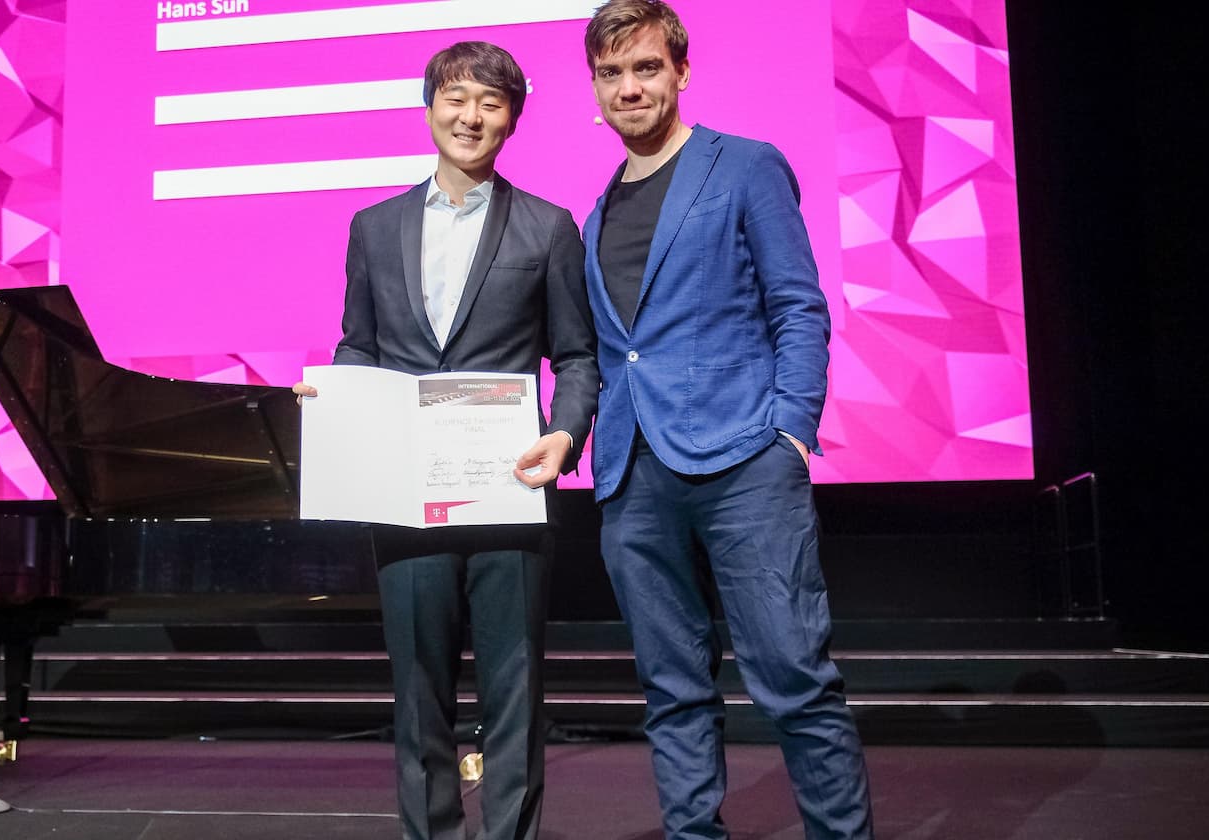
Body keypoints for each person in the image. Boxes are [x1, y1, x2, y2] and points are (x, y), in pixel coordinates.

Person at [577, 2, 874, 838]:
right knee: (672, 689)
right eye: (611, 73)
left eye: (644, 68)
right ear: (595, 89)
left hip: (746, 462)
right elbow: (614, 350)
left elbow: (798, 307)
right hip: (633, 473)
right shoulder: (595, 213)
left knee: (792, 676)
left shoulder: (742, 166)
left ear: (680, 71)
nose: (629, 87)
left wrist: (790, 428)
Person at [292, 41, 597, 840]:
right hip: (403, 492)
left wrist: (565, 434)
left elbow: (576, 356)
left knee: (514, 690)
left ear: (513, 121)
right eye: (458, 99)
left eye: (491, 104)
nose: (472, 117)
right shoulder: (373, 225)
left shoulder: (549, 227)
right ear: (429, 106)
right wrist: (333, 390)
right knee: (417, 691)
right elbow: (360, 341)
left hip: (512, 487)